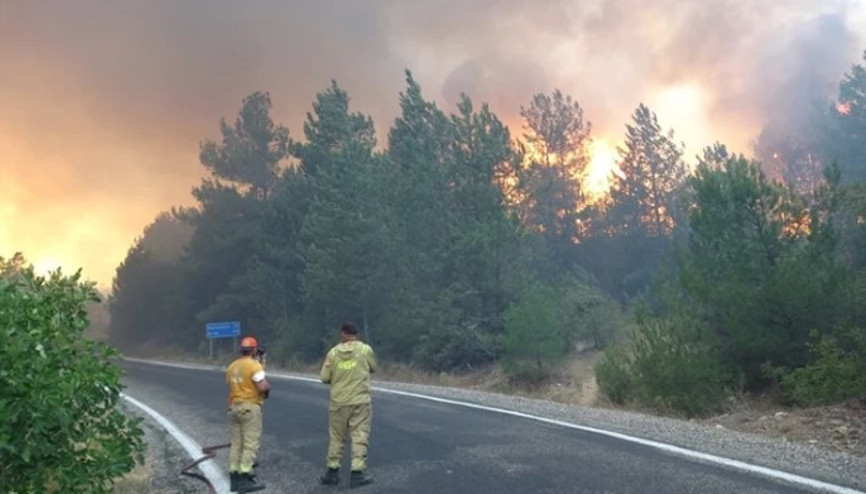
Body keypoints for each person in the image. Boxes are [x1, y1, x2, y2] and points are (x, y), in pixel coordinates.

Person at [319, 322, 377, 488]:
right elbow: (373, 367)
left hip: (338, 402)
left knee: (337, 437)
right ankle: (357, 473)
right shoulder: (365, 350)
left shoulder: (333, 353)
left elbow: (324, 377)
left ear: (342, 334)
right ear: (355, 334)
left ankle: (332, 472)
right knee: (359, 435)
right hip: (360, 401)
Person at [226, 336, 270, 493]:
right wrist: (267, 390)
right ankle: (245, 475)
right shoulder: (254, 366)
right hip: (250, 407)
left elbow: (233, 386)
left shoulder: (232, 366)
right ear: (254, 350)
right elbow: (262, 386)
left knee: (237, 443)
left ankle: (234, 477)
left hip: (234, 407)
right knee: (250, 443)